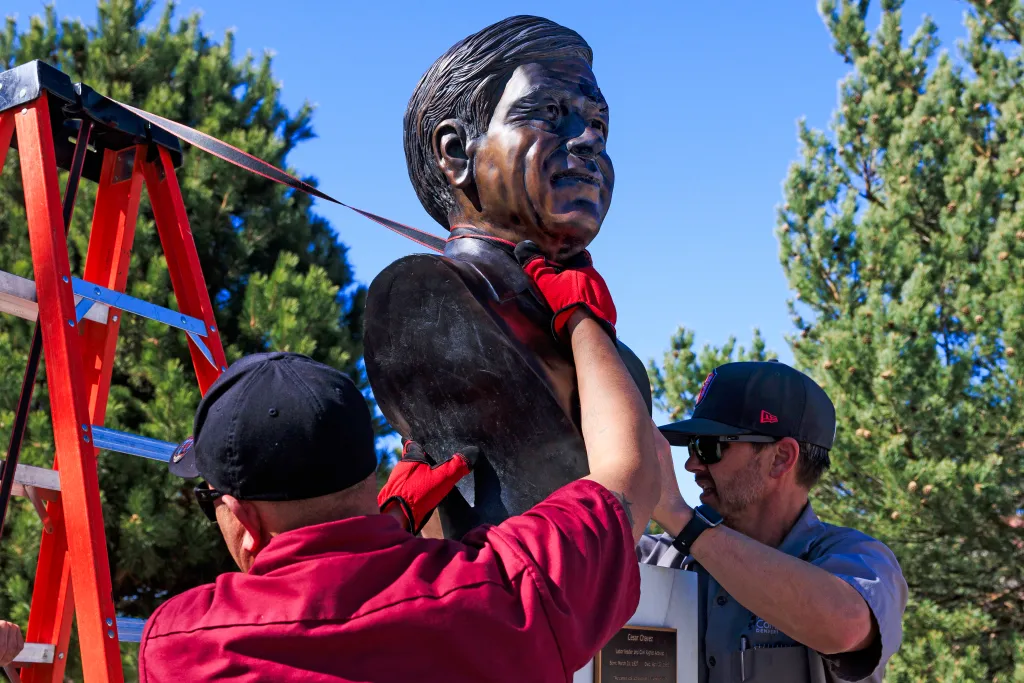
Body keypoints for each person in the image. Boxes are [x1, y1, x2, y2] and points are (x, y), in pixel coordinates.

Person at [138, 251, 660, 682]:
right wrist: (583, 318)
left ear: (243, 521)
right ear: (369, 476)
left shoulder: (181, 645)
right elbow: (628, 480)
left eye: (211, 504)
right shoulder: (499, 593)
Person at [363, 14, 653, 540]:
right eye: (549, 113)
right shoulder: (428, 296)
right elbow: (615, 508)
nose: (588, 140)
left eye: (599, 125)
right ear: (455, 152)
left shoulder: (616, 360)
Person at [639, 361, 908, 683]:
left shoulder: (858, 557)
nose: (691, 463)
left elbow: (846, 627)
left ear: (780, 458)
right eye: (692, 446)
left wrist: (681, 520)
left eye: (708, 447)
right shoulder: (655, 558)